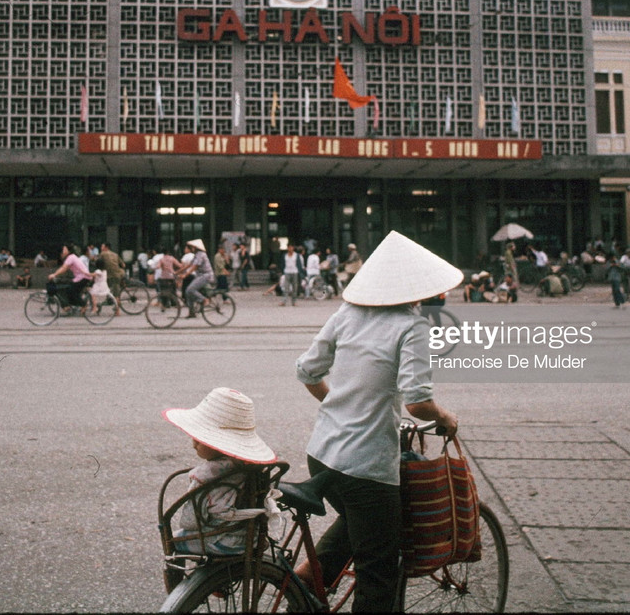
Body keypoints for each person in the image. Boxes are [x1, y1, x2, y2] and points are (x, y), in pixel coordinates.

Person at [294, 230, 460, 612]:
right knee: (378, 572)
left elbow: (306, 370)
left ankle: (308, 578)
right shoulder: (412, 326)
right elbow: (418, 404)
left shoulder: (347, 312)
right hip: (366, 466)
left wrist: (339, 403)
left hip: (321, 453)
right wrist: (446, 417)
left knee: (360, 523)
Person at [163, 387, 278, 556]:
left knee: (173, 540)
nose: (194, 444)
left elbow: (190, 522)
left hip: (220, 541)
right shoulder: (249, 468)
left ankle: (179, 581)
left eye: (199, 438)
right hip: (251, 538)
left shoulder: (206, 475)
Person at [47, 243, 93, 311]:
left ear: (69, 250)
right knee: (69, 289)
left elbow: (64, 268)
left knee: (71, 291)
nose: (63, 251)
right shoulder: (72, 257)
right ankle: (70, 306)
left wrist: (54, 274)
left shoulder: (71, 257)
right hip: (81, 277)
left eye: (64, 249)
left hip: (83, 277)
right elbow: (64, 268)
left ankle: (83, 304)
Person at [180, 239, 215, 318]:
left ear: (196, 247)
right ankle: (192, 312)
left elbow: (195, 266)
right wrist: (177, 272)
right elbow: (189, 265)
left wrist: (185, 275)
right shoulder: (196, 255)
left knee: (190, 290)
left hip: (206, 275)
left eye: (192, 247)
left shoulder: (201, 254)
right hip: (200, 276)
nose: (191, 248)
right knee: (188, 293)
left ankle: (204, 300)